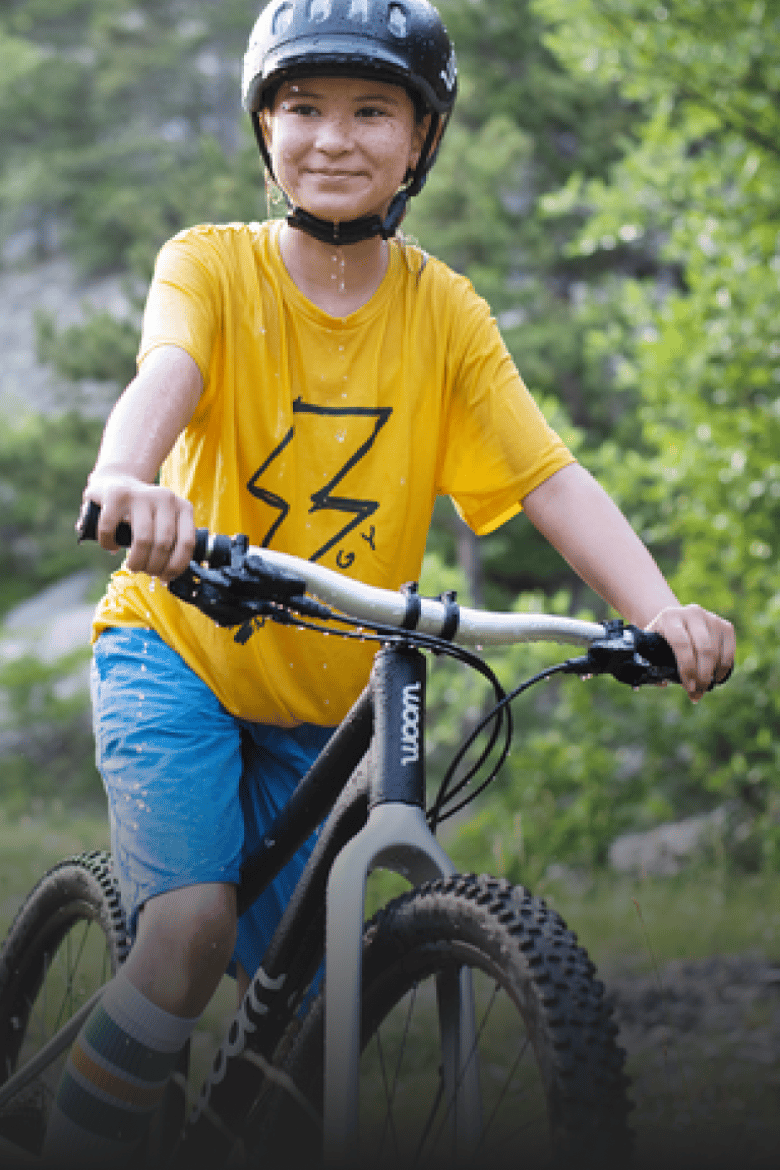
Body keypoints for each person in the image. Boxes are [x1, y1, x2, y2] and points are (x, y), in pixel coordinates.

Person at [43, 0, 735, 1164]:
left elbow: (546, 475)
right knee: (191, 930)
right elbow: (166, 372)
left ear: (422, 140)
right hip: (183, 652)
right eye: (303, 107)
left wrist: (655, 608)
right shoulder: (209, 265)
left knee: (308, 998)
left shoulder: (444, 310)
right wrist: (128, 477)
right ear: (264, 128)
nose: (333, 137)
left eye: (373, 110)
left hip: (326, 700)